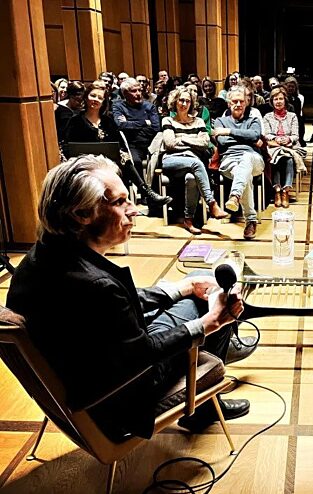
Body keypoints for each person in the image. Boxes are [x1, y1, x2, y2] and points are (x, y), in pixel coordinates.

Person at [7, 155, 250, 441]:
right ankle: (204, 407)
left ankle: (216, 345)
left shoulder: (44, 256)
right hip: (126, 396)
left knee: (195, 283)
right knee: (212, 297)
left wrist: (181, 287)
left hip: (93, 368)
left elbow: (116, 305)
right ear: (82, 214)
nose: (134, 210)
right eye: (121, 202)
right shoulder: (97, 286)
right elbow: (141, 353)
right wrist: (209, 323)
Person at [161, 86, 226, 234]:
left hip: (192, 163)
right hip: (171, 161)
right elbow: (169, 143)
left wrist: (182, 138)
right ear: (175, 102)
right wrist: (192, 141)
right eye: (181, 100)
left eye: (187, 101)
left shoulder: (198, 122)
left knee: (191, 178)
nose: (184, 104)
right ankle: (211, 203)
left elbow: (204, 143)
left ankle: (188, 219)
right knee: (196, 163)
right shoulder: (168, 120)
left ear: (191, 103)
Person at [212, 86, 265, 240]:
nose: (238, 104)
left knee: (247, 158)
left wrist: (229, 132)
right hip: (229, 161)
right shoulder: (221, 121)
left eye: (241, 101)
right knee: (244, 175)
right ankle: (251, 220)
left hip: (254, 159)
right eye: (234, 101)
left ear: (246, 103)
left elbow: (255, 134)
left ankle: (235, 195)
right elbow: (221, 141)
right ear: (229, 103)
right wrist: (248, 138)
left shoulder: (253, 120)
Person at [112, 78, 170, 206]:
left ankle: (153, 194)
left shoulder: (149, 106)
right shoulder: (118, 105)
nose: (138, 93)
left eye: (139, 90)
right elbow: (120, 125)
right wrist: (144, 123)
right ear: (125, 94)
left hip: (150, 143)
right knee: (134, 161)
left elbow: (155, 127)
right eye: (134, 91)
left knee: (159, 161)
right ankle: (145, 193)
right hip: (131, 144)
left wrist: (130, 124)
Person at [262, 87, 305, 208]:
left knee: (289, 159)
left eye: (281, 98)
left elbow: (296, 135)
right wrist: (276, 139)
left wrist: (288, 139)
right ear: (272, 101)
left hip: (290, 146)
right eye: (275, 99)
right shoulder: (267, 117)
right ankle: (277, 190)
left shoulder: (292, 116)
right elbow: (267, 134)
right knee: (275, 158)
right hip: (274, 146)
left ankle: (285, 191)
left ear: (285, 100)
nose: (278, 101)